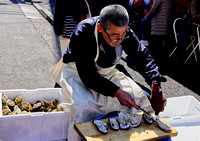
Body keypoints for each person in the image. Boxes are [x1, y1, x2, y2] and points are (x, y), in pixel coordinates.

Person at [59, 5, 166, 140]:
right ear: (100, 28)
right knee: (82, 108)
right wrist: (117, 92)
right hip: (78, 73)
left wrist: (155, 83)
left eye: (123, 34)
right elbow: (88, 76)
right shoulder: (83, 31)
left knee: (140, 98)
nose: (120, 40)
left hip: (108, 72)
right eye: (114, 36)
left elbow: (142, 56)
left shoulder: (123, 32)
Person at [144, 0, 176, 70]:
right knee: (163, 48)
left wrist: (146, 16)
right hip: (167, 24)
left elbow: (154, 9)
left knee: (155, 48)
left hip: (158, 25)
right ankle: (163, 67)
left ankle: (144, 39)